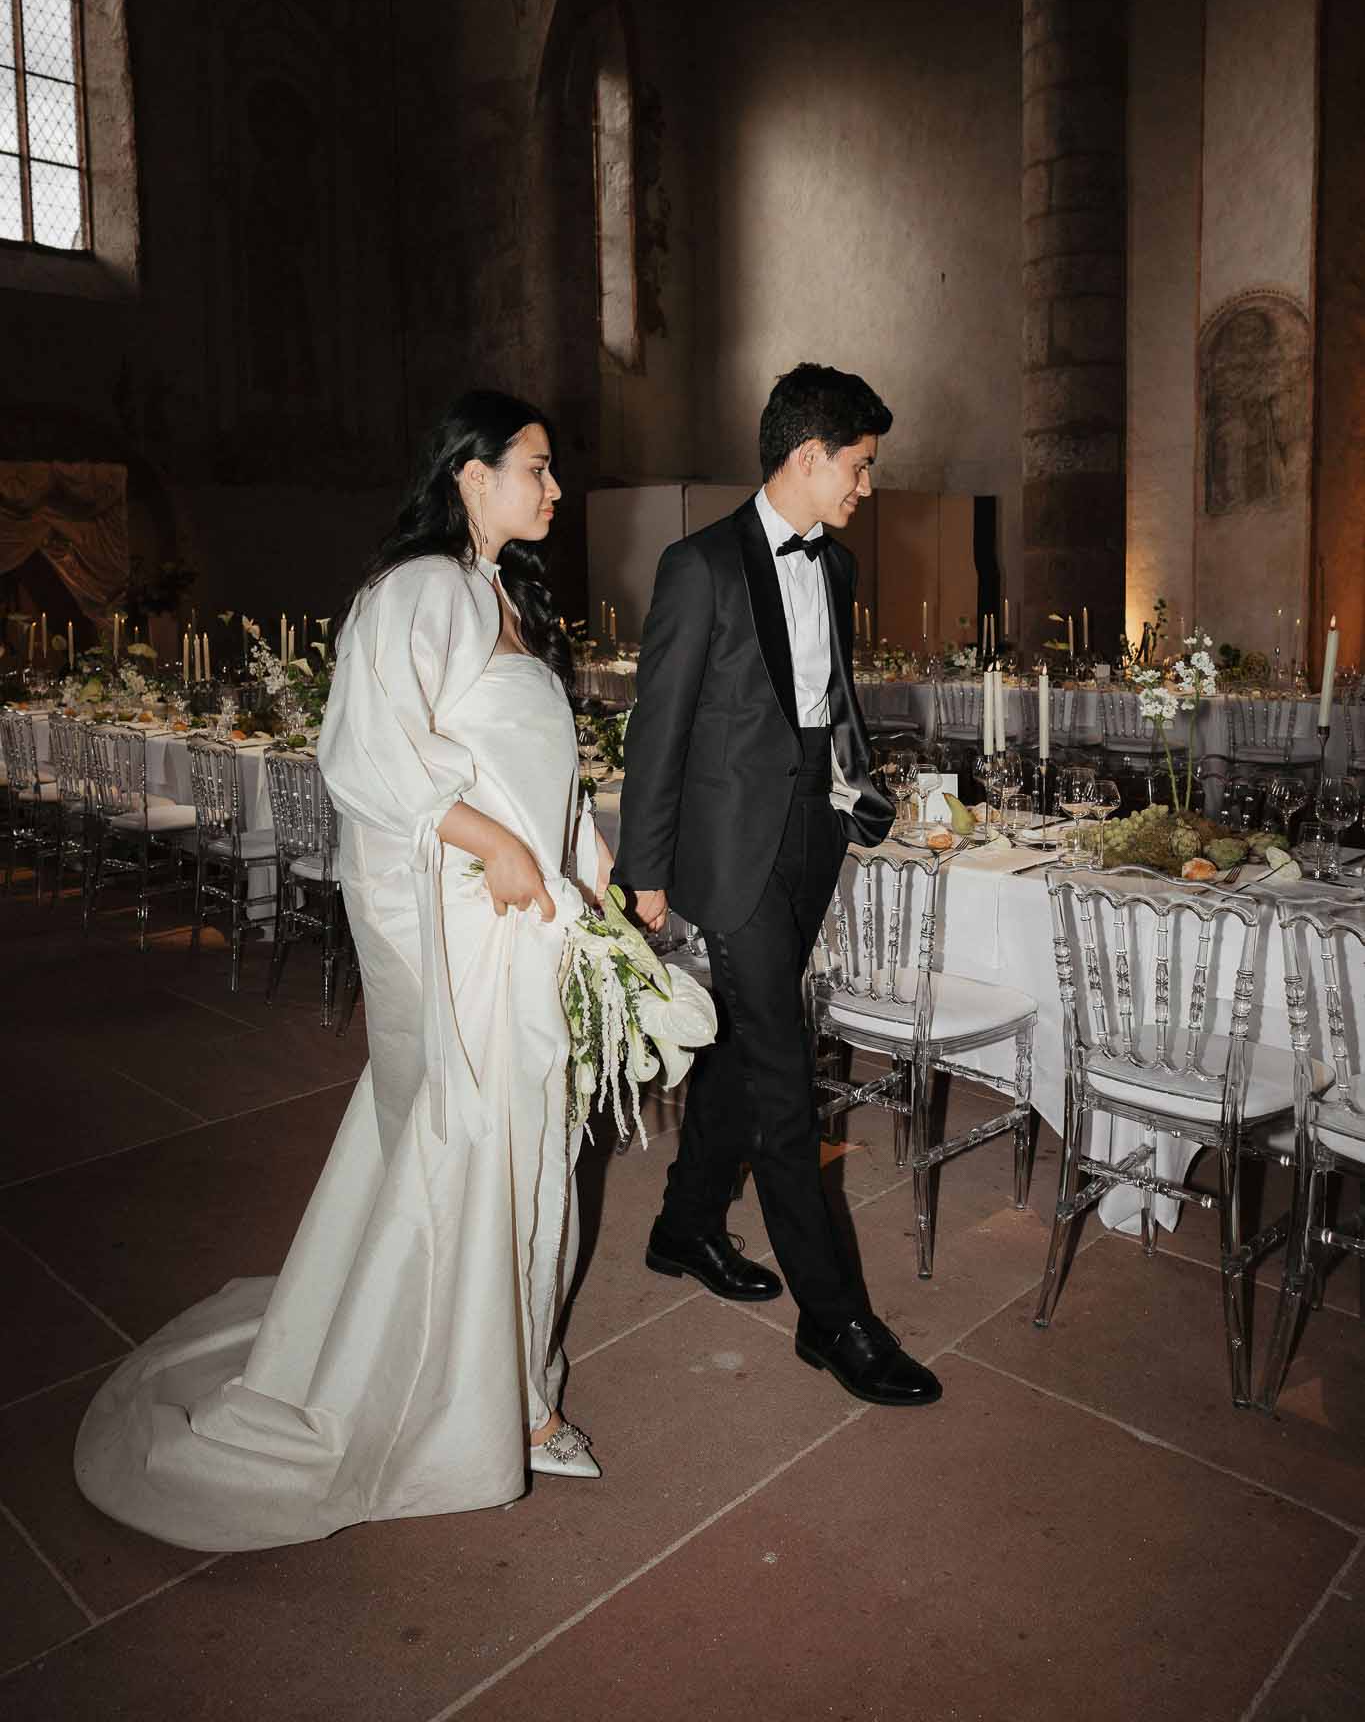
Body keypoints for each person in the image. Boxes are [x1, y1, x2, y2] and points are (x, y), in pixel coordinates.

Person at [73, 391, 612, 1553]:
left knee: (532, 1157)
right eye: (537, 467)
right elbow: (366, 757)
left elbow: (524, 765)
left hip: (528, 922)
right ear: (471, 474)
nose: (554, 489)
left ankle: (514, 1382)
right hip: (473, 926)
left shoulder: (496, 593)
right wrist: (509, 850)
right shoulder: (416, 589)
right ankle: (498, 1404)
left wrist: (595, 870)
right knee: (482, 1150)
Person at [614, 363, 943, 1409]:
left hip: (815, 830)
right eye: (859, 465)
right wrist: (646, 871)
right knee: (784, 1075)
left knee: (750, 1041)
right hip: (732, 848)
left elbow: (827, 695)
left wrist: (858, 791)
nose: (866, 486)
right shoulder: (699, 564)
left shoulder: (837, 566)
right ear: (809, 456)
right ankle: (834, 1315)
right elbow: (656, 727)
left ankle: (685, 1223)